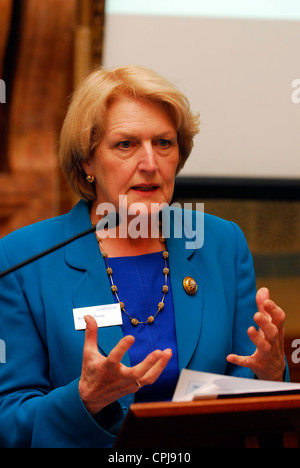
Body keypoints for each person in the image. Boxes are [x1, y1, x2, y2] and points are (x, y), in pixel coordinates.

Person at [0, 65, 288, 448]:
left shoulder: (220, 243)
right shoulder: (24, 259)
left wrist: (271, 373)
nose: (150, 163)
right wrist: (85, 399)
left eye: (164, 143)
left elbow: (246, 394)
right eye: (126, 144)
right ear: (87, 162)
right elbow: (9, 420)